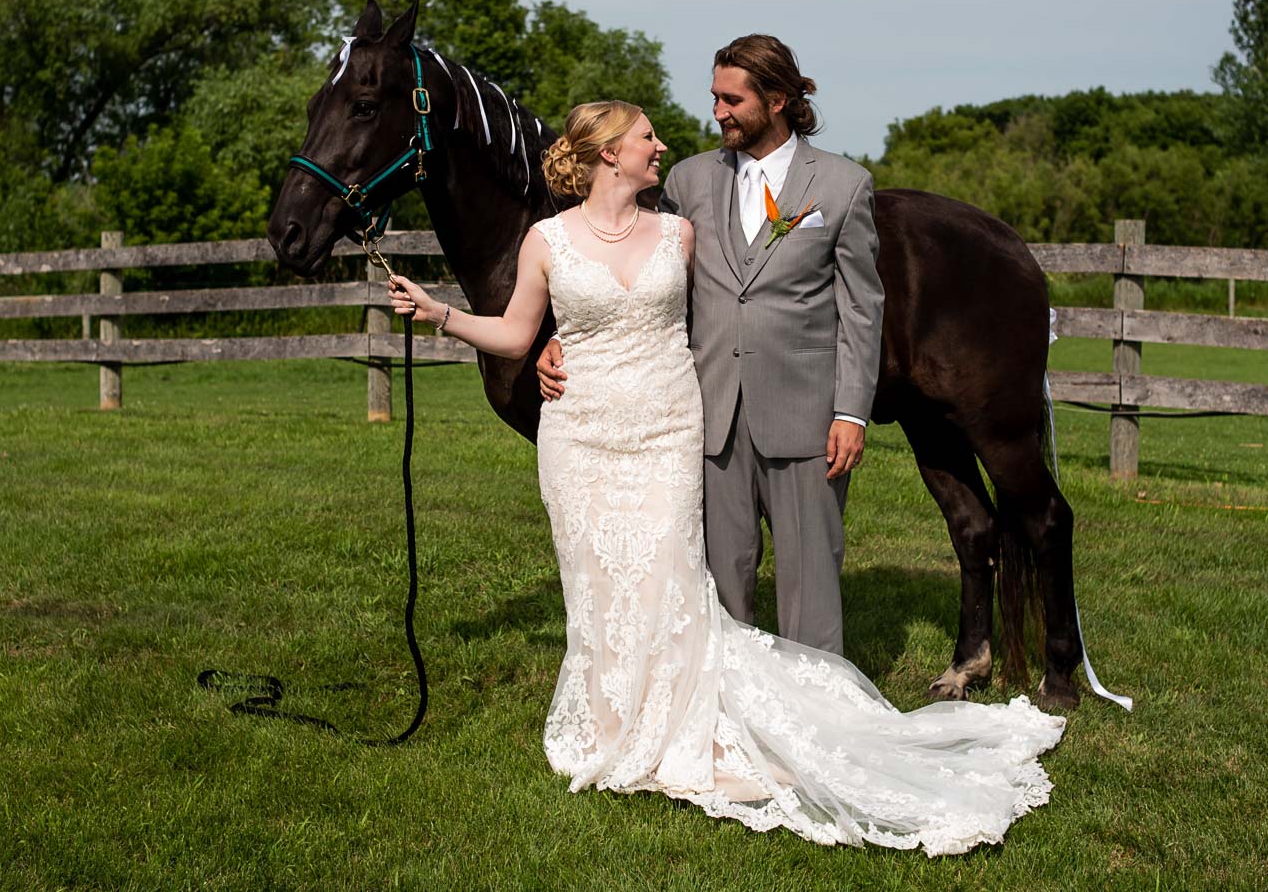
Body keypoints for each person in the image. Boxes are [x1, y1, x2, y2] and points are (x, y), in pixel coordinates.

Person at [387, 99, 1065, 853]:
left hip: (667, 430)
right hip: (580, 438)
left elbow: (748, 303)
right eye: (648, 137)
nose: (665, 145)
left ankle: (693, 727)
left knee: (672, 582)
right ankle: (613, 727)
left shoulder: (679, 234)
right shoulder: (546, 240)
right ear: (608, 154)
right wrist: (448, 316)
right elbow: (519, 328)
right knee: (596, 585)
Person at [538, 35, 880, 657]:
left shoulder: (842, 185)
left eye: (731, 99)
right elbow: (647, 275)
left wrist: (850, 412)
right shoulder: (689, 179)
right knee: (721, 585)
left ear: (777, 100)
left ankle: (822, 716)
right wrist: (567, 335)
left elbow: (861, 307)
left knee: (812, 581)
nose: (717, 111)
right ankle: (732, 714)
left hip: (806, 416)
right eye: (714, 97)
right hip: (708, 414)